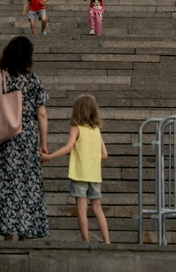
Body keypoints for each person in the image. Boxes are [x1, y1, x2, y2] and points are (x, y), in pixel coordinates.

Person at [0, 35, 49, 240]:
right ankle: (25, 235)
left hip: (1, 141)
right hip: (26, 141)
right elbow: (42, 114)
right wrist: (43, 144)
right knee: (26, 186)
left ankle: (8, 236)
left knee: (5, 188)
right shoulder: (33, 81)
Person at [41, 94, 110, 244]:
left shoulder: (76, 128)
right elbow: (104, 154)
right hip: (94, 175)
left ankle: (85, 241)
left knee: (81, 208)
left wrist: (49, 157)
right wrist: (91, 156)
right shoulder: (96, 130)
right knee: (98, 209)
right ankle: (107, 241)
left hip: (79, 173)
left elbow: (68, 147)